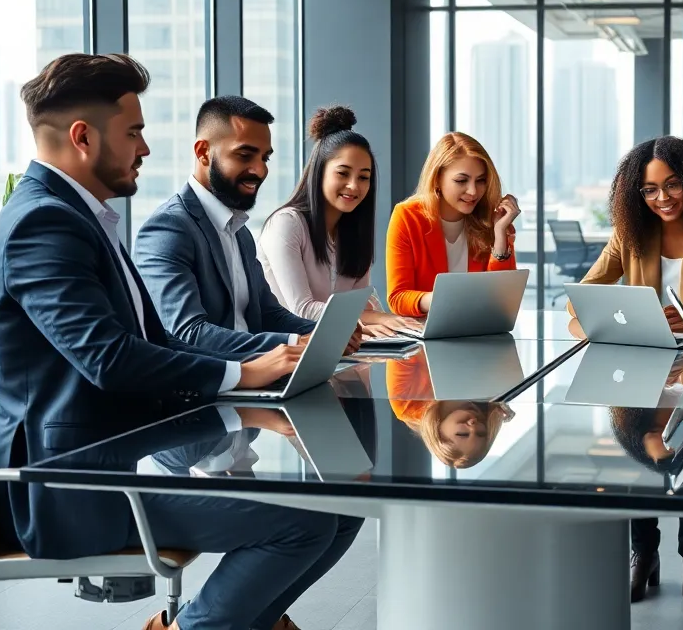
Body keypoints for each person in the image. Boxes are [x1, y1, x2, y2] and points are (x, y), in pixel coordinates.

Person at [0, 53, 362, 630]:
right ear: (83, 137)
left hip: (124, 450)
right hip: (74, 487)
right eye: (134, 132)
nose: (146, 149)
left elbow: (153, 342)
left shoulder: (80, 219)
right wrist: (243, 376)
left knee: (345, 506)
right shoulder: (41, 224)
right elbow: (109, 358)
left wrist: (253, 391)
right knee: (302, 522)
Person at [570, 135, 683, 608]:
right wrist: (591, 321)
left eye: (672, 185)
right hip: (643, 363)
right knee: (638, 452)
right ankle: (644, 552)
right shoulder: (631, 230)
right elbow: (586, 293)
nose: (662, 199)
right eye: (650, 190)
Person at [134, 95, 361, 361]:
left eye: (265, 158)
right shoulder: (168, 229)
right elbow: (188, 333)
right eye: (245, 155)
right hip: (211, 390)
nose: (259, 170)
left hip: (258, 377)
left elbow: (267, 313)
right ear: (203, 152)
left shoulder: (238, 230)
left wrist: (327, 333)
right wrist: (295, 343)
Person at [258, 105, 420, 338]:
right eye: (343, 173)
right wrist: (374, 321)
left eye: (364, 177)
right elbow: (302, 310)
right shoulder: (286, 224)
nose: (354, 186)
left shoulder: (353, 232)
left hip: (340, 350)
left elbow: (359, 305)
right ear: (319, 172)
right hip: (289, 355)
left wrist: (394, 323)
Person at [385, 132, 521, 317]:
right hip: (428, 334)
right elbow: (398, 297)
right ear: (437, 178)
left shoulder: (493, 219)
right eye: (461, 180)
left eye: (480, 181)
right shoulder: (408, 216)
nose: (473, 191)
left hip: (480, 331)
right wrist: (442, 299)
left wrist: (499, 235)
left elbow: (502, 300)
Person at [385, 354, 513, 468]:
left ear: (438, 434)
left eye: (462, 434)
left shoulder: (407, 405)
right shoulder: (486, 400)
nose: (474, 424)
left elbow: (404, 350)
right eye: (481, 433)